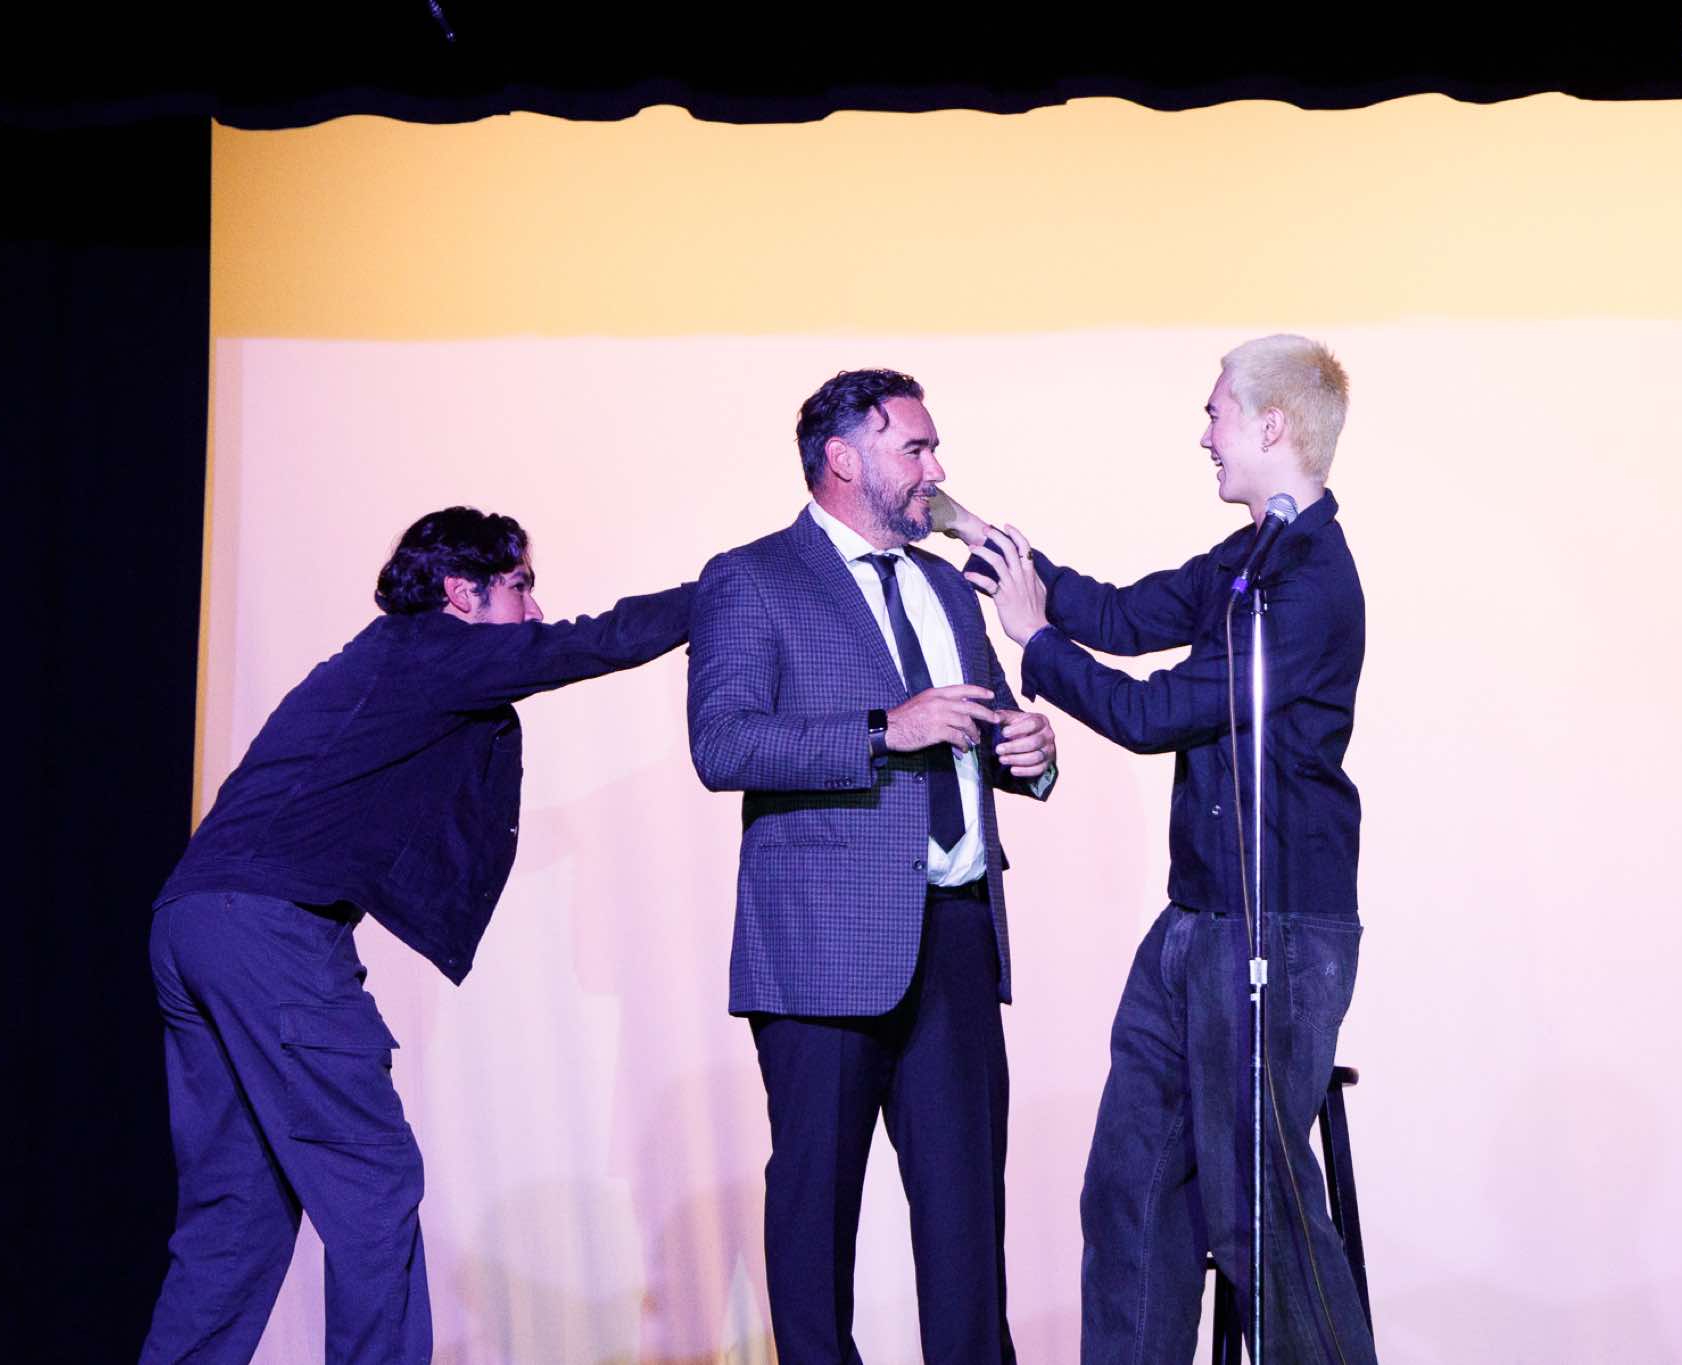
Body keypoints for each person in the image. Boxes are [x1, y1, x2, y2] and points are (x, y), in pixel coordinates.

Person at [140, 506, 695, 1365]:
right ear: (461, 593)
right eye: (520, 586)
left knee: (237, 1216)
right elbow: (588, 642)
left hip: (194, 923)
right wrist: (721, 592)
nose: (536, 609)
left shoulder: (384, 660)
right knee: (372, 1177)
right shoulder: (431, 647)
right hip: (268, 931)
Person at [950, 335, 1377, 1363]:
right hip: (1197, 921)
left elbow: (1154, 715)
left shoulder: (1310, 583)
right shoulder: (1247, 559)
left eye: (1215, 413)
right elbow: (1120, 612)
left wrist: (1035, 645)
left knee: (1258, 1212)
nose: (1204, 435)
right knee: (1129, 1191)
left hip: (1276, 927)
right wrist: (982, 540)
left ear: (1271, 425)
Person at [688, 369, 1058, 1365]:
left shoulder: (943, 584)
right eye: (915, 448)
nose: (936, 469)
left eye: (934, 449)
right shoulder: (751, 577)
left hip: (956, 934)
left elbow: (976, 725)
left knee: (966, 1220)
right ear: (843, 459)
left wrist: (1026, 752)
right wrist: (883, 729)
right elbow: (722, 743)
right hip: (821, 949)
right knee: (815, 1218)